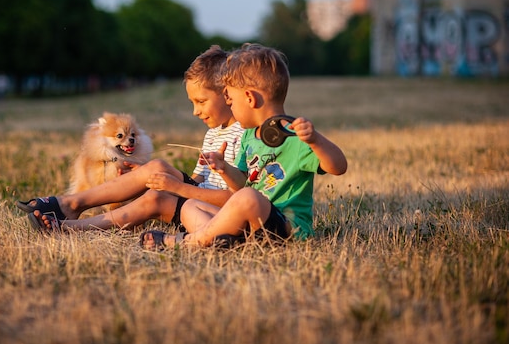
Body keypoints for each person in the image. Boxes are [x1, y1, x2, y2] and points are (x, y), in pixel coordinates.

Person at [140, 43, 348, 250]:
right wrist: (224, 168)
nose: (229, 106)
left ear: (249, 98)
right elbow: (240, 184)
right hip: (251, 222)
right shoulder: (249, 135)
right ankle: (227, 241)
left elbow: (339, 167)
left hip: (286, 228)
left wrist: (315, 140)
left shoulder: (295, 137)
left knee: (248, 197)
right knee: (190, 207)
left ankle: (186, 241)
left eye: (231, 101)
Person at [18, 45, 244, 232]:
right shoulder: (214, 132)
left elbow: (237, 198)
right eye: (192, 103)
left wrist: (175, 188)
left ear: (227, 95)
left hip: (211, 212)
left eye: (201, 102)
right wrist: (153, 182)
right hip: (197, 197)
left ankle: (71, 227)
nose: (195, 111)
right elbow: (198, 179)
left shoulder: (245, 136)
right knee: (155, 167)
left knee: (153, 199)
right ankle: (71, 203)